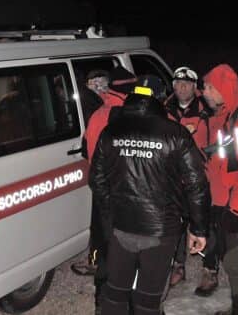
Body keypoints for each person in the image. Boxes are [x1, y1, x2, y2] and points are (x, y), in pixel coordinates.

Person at [89, 85, 210, 315]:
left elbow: (96, 179)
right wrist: (198, 229)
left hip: (121, 227)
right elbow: (197, 184)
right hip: (161, 230)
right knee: (148, 300)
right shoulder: (176, 133)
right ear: (159, 101)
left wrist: (112, 211)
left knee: (115, 295)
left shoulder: (111, 132)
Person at [72, 67, 138, 312]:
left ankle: (102, 301)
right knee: (128, 250)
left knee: (103, 244)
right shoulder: (136, 116)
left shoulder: (99, 115)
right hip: (129, 194)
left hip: (102, 191)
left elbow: (88, 152)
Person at [200, 64, 238, 315]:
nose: (204, 92)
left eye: (209, 87)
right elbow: (221, 161)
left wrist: (235, 209)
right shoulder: (225, 117)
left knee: (237, 262)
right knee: (230, 259)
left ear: (224, 89)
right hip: (222, 200)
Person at [163, 66, 216, 290]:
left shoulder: (208, 108)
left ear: (195, 87)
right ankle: (178, 266)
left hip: (201, 175)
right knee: (175, 222)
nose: (182, 87)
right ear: (173, 86)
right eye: (178, 83)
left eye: (187, 84)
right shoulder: (164, 108)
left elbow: (219, 140)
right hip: (174, 177)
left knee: (205, 221)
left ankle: (210, 269)